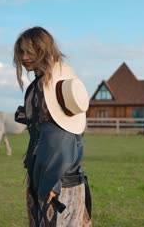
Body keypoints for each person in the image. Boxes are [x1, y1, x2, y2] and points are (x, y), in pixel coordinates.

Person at [13, 26, 92, 226]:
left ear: (43, 49)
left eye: (30, 51)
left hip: (53, 178)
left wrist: (52, 182)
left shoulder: (43, 86)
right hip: (69, 176)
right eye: (21, 51)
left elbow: (58, 137)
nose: (24, 57)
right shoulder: (45, 84)